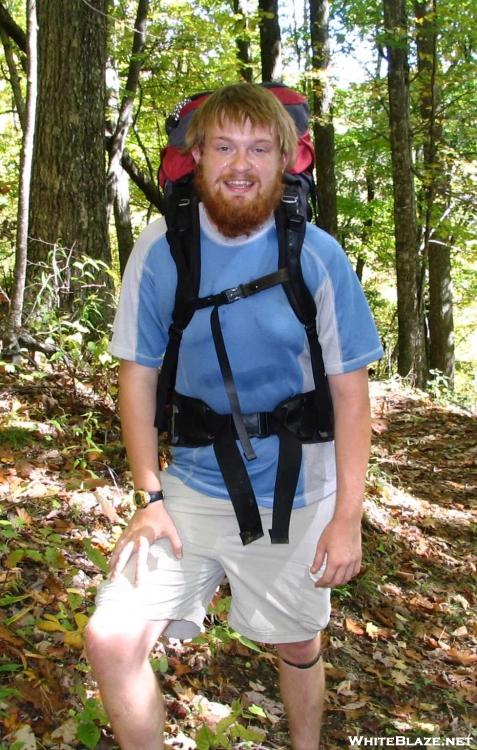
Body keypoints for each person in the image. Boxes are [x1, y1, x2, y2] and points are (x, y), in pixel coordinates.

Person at [85, 82, 383, 750]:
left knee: (296, 641)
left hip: (300, 490)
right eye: (223, 146)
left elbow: (350, 394)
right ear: (196, 156)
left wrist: (345, 520)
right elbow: (136, 372)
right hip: (190, 486)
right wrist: (148, 495)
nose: (240, 163)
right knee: (109, 637)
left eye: (258, 148)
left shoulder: (316, 253)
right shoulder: (163, 247)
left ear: (286, 160)